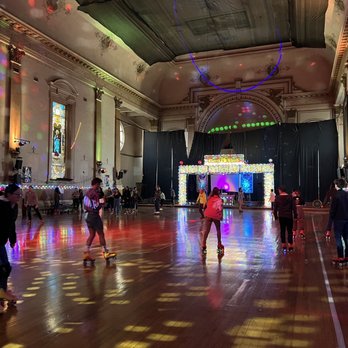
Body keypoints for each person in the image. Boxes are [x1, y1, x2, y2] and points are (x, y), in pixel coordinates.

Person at [0, 183, 21, 308]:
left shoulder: (14, 206)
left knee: (5, 268)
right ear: (8, 194)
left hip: (2, 241)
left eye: (20, 195)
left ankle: (2, 290)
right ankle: (1, 291)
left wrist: (13, 239)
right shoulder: (1, 206)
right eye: (17, 194)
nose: (19, 197)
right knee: (4, 268)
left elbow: (11, 224)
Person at [329, 178, 348, 263]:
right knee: (347, 238)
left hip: (338, 220)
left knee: (338, 238)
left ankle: (340, 257)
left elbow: (332, 211)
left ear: (336, 185)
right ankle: (347, 256)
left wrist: (329, 225)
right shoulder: (347, 194)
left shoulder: (336, 196)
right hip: (347, 220)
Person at [273, 186, 297, 252]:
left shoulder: (277, 197)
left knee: (282, 230)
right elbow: (294, 208)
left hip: (281, 216)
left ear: (280, 190)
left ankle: (283, 244)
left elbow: (275, 209)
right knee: (289, 231)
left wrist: (275, 216)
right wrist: (295, 216)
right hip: (289, 216)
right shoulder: (290, 197)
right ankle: (290, 245)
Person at [201, 187, 224, 256]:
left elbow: (206, 205)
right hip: (215, 216)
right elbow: (220, 209)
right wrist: (221, 216)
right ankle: (219, 244)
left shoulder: (209, 198)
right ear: (218, 192)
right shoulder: (219, 199)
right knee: (218, 230)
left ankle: (203, 244)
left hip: (208, 214)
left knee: (207, 230)